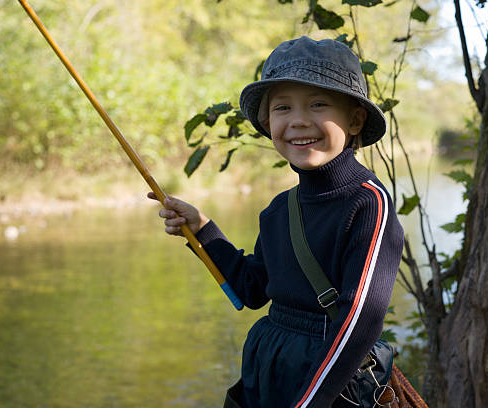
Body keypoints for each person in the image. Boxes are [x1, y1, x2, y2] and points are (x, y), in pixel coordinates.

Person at [148, 36, 404, 408]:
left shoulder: (369, 203)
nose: (299, 121)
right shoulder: (279, 210)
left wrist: (310, 402)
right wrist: (203, 229)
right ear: (268, 123)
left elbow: (358, 323)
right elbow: (253, 290)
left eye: (318, 104)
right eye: (283, 108)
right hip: (269, 371)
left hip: (329, 383)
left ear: (355, 119)